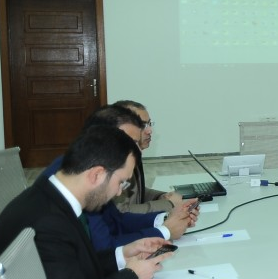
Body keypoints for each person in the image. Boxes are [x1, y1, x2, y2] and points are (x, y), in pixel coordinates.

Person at [0, 125, 172, 279]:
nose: (119, 192)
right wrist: (132, 276)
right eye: (121, 182)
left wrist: (122, 255)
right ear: (96, 174)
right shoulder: (48, 222)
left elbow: (70, 268)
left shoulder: (48, 198)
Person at [41, 106, 197, 247]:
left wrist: (167, 218)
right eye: (129, 142)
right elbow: (103, 247)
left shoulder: (98, 166)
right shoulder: (80, 180)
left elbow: (117, 220)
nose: (136, 150)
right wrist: (165, 231)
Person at [113, 99, 180, 213]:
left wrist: (161, 196)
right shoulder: (114, 162)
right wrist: (169, 204)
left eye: (149, 124)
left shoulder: (131, 154)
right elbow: (121, 212)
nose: (149, 131)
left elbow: (137, 192)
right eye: (142, 125)